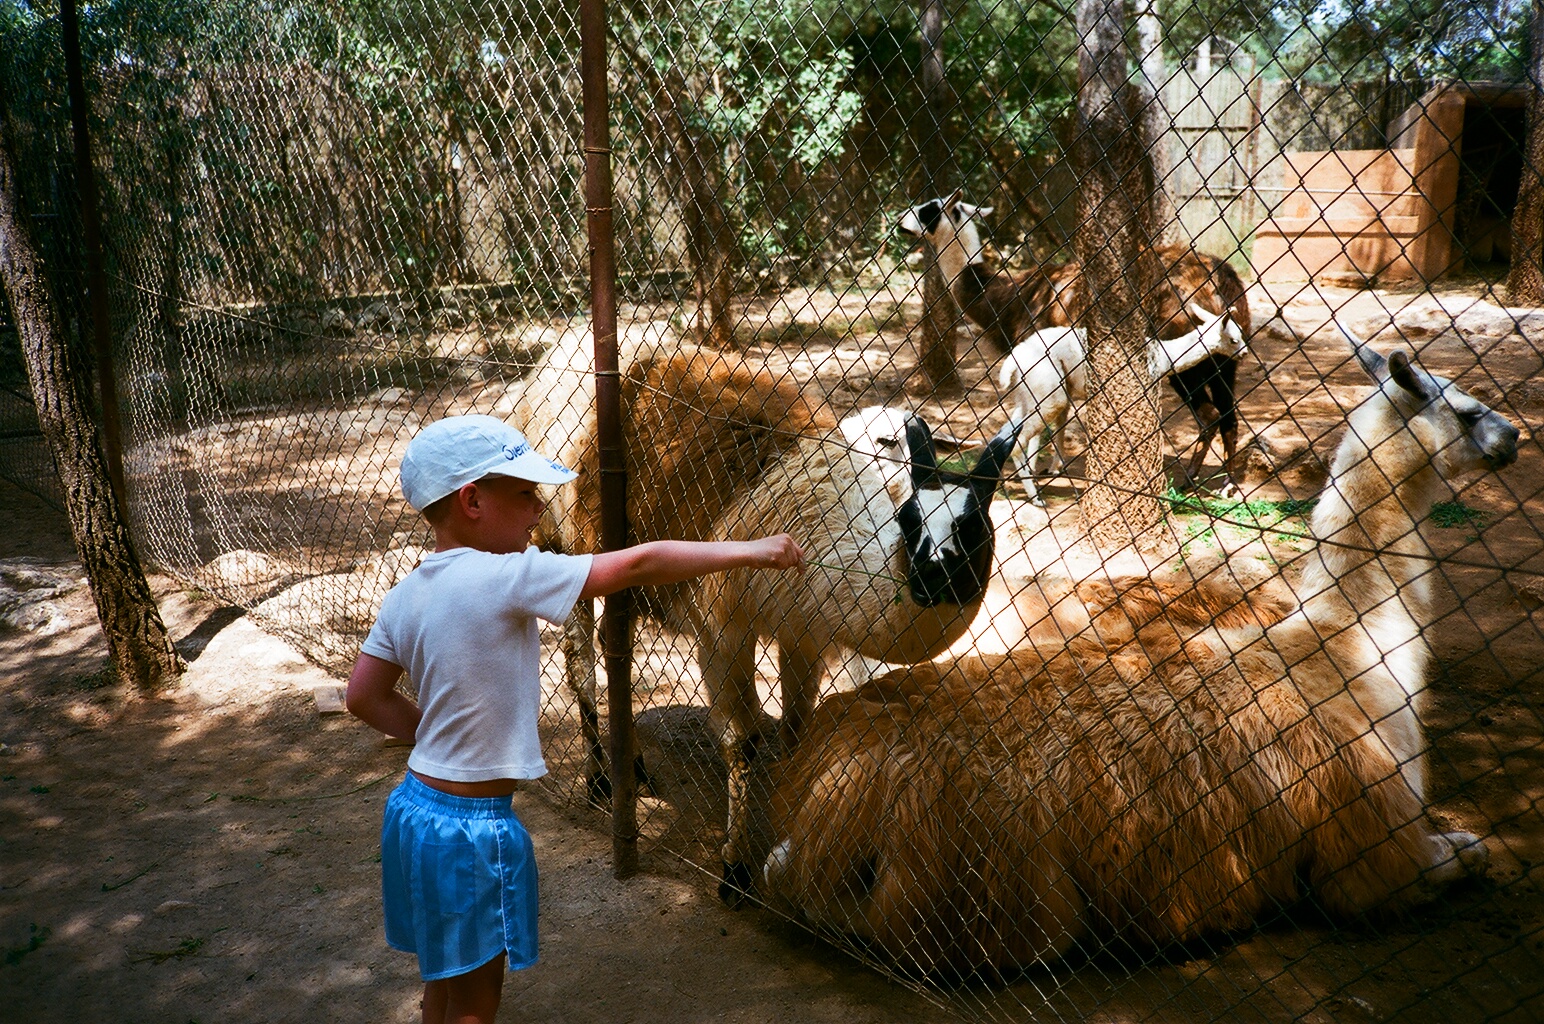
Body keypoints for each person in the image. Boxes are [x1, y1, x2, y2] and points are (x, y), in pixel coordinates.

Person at [346, 414, 804, 1024]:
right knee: (477, 1004)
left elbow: (362, 697)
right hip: (474, 830)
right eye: (525, 494)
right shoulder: (510, 577)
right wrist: (750, 550)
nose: (540, 509)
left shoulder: (405, 594)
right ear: (472, 501)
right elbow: (638, 565)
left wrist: (433, 732)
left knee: (441, 979)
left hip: (414, 812)